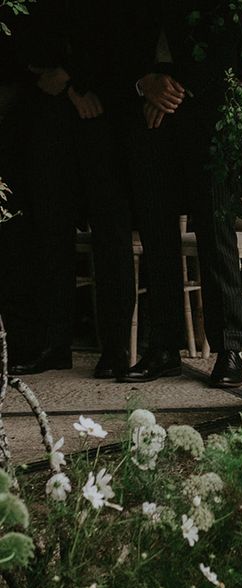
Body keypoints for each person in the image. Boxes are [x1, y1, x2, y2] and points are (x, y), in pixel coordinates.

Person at [114, 1, 242, 388]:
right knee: (156, 229)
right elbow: (113, 40)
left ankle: (229, 348)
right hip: (145, 111)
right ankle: (164, 346)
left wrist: (177, 93)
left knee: (215, 224)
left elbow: (231, 38)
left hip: (207, 107)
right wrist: (145, 86)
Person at [3, 0, 135, 378]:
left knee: (110, 232)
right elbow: (22, 31)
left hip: (103, 109)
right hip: (46, 111)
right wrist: (59, 81)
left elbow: (120, 33)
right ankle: (54, 343)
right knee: (50, 228)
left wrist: (76, 77)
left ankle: (115, 345)